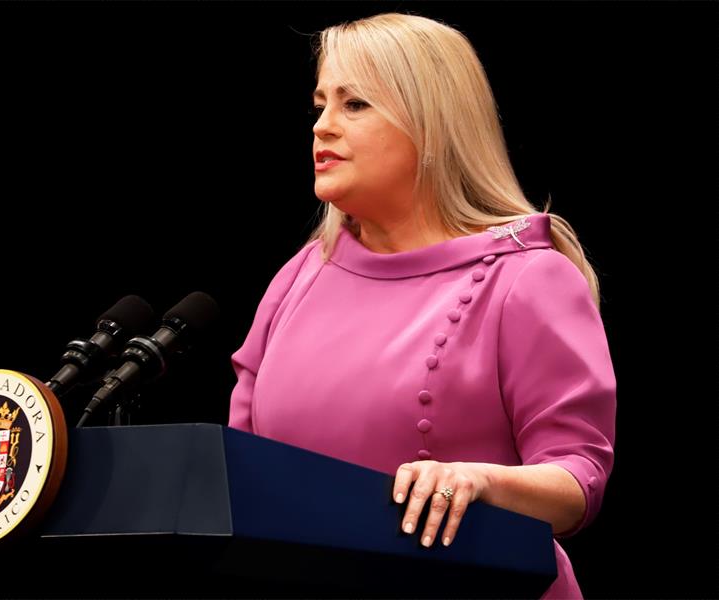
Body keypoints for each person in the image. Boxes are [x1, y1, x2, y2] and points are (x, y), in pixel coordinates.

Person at [227, 12, 617, 599]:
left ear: (432, 123)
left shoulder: (527, 277)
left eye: (355, 104)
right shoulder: (300, 276)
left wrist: (479, 481)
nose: (323, 127)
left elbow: (578, 478)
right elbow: (242, 468)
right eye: (320, 106)